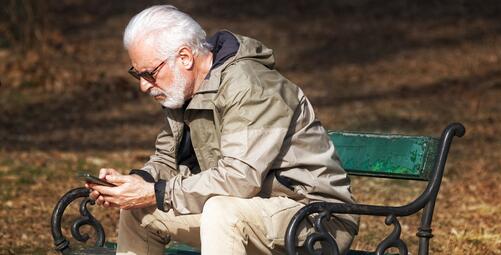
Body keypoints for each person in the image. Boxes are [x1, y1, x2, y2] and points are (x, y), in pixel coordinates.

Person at [87, 5, 359, 255]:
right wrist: (134, 184)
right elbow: (166, 160)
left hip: (315, 218)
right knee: (138, 211)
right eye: (137, 74)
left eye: (149, 74)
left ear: (184, 57)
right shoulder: (180, 91)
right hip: (250, 208)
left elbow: (239, 179)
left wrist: (155, 191)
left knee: (221, 211)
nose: (144, 86)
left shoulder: (251, 87)